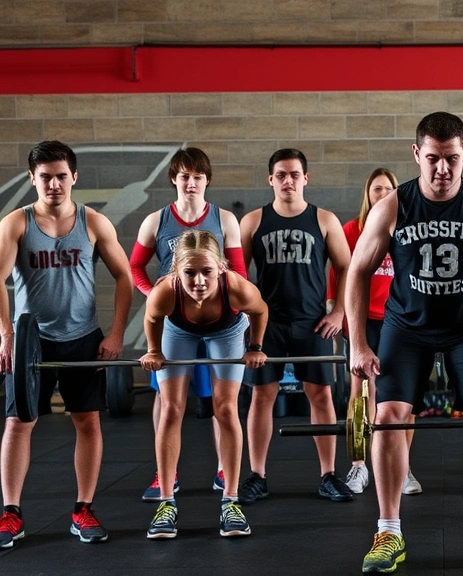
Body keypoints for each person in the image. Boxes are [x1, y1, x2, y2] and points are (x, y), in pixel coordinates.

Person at [349, 112, 463, 573]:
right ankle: (387, 531)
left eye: (452, 159)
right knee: (389, 417)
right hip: (406, 325)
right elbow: (357, 272)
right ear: (417, 155)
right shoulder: (392, 205)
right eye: (432, 159)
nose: (442, 170)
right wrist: (357, 344)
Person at [0, 140, 133, 550]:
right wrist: (7, 336)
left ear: (74, 178)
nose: (53, 184)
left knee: (87, 421)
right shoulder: (15, 223)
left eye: (61, 176)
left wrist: (116, 333)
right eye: (45, 177)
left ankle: (83, 508)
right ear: (32, 179)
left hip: (83, 340)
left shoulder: (95, 223)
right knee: (18, 423)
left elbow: (125, 277)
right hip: (30, 344)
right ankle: (10, 514)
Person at [128, 147, 247, 500]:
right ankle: (166, 475)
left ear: (207, 180)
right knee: (169, 402)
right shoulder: (156, 221)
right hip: (176, 320)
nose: (191, 183)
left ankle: (226, 472)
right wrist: (155, 296)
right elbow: (135, 267)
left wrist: (231, 308)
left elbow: (238, 273)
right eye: (184, 176)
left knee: (224, 404)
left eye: (197, 176)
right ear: (174, 179)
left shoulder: (225, 220)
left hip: (219, 319)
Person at [239, 148, 354, 504]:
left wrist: (338, 314)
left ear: (306, 178)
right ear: (271, 180)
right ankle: (256, 475)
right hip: (266, 323)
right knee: (262, 395)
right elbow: (236, 273)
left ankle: (328, 474)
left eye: (294, 174)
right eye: (281, 175)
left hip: (312, 322)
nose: (288, 181)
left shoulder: (324, 220)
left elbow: (347, 267)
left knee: (320, 394)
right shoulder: (254, 221)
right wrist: (242, 313)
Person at [140, 230, 267, 539]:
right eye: (189, 272)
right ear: (176, 271)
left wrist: (255, 347)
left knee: (225, 409)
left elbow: (260, 310)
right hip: (178, 330)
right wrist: (154, 351)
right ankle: (166, 502)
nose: (198, 281)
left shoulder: (236, 287)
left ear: (220, 268)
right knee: (170, 410)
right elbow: (153, 319)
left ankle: (231, 501)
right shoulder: (165, 293)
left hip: (227, 331)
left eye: (207, 271)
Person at [332, 168, 423, 495]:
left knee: (404, 396)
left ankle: (404, 467)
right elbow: (341, 273)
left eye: (389, 189)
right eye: (377, 189)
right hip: (365, 320)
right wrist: (338, 312)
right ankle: (359, 466)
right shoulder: (352, 230)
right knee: (361, 391)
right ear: (367, 194)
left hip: (400, 320)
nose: (382, 194)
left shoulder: (409, 228)